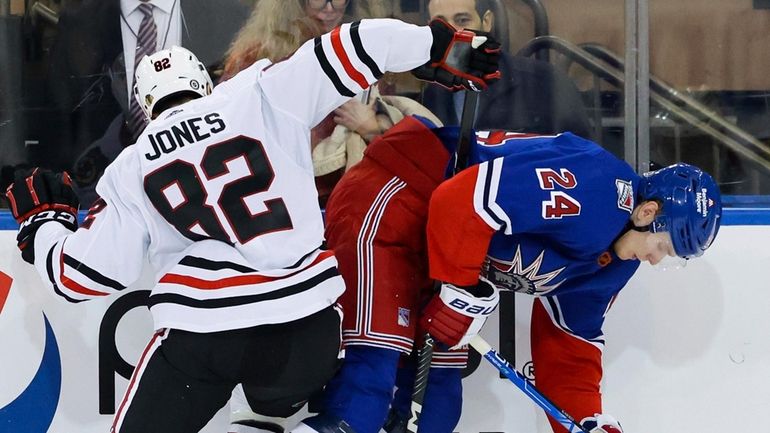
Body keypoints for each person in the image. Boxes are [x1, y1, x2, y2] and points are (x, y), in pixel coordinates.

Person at [4, 17, 501, 433]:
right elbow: (356, 43)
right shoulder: (259, 90)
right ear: (206, 82)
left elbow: (81, 276)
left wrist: (43, 224)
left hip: (205, 340)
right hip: (305, 335)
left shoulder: (131, 168)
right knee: (288, 407)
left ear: (143, 109)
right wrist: (437, 49)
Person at [314, 116, 722, 433]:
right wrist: (460, 287)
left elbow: (570, 345)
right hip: (401, 192)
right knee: (365, 393)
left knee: (436, 413)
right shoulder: (593, 188)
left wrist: (585, 419)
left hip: (438, 254)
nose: (654, 260)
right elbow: (462, 199)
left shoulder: (617, 262)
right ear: (647, 213)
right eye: (663, 247)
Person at [46, 0, 249, 204]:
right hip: (104, 205)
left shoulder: (233, 17)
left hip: (210, 200)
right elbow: (60, 115)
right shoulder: (79, 22)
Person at [423, 0, 593, 140]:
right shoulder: (432, 94)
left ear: (487, 22)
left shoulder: (544, 81)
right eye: (441, 24)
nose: (452, 32)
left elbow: (580, 153)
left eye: (462, 20)